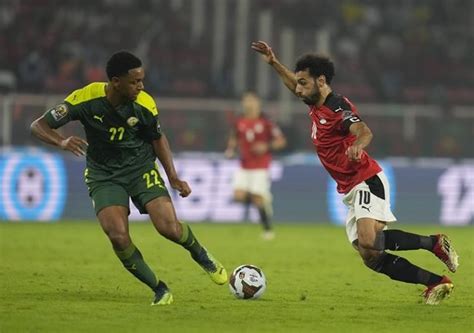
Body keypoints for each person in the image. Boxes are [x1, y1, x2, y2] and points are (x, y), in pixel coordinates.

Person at [251, 41, 459, 305]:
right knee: (370, 257)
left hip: (366, 179)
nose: (298, 88)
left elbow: (363, 131)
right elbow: (292, 84)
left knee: (369, 239)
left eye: (303, 82)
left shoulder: (338, 108)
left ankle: (435, 243)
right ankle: (436, 282)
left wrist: (358, 146)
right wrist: (274, 63)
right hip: (349, 188)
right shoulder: (314, 102)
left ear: (321, 80)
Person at [30, 51, 227, 306]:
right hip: (104, 174)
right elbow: (38, 125)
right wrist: (61, 140)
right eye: (135, 81)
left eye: (142, 80)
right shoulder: (86, 98)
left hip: (140, 168)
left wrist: (174, 177)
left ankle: (202, 256)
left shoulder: (144, 103)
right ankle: (159, 288)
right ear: (115, 82)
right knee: (118, 236)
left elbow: (157, 138)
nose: (141, 86)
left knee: (169, 227)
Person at [225, 92, 287, 240]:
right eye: (246, 101)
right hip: (244, 165)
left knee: (257, 199)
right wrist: (230, 150)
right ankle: (263, 200)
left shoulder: (267, 122)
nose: (248, 104)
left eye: (251, 101)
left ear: (258, 103)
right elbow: (234, 138)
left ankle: (267, 230)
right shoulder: (239, 122)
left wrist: (265, 146)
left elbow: (281, 141)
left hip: (261, 166)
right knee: (238, 196)